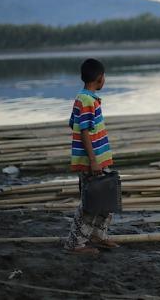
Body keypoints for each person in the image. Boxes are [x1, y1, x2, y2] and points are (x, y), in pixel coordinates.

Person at [64, 58, 120, 255]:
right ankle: (74, 244)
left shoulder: (84, 98)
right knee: (90, 203)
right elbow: (83, 131)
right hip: (91, 162)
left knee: (107, 199)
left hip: (97, 159)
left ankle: (98, 235)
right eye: (104, 76)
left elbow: (73, 123)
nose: (105, 79)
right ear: (99, 78)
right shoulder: (87, 101)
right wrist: (93, 159)